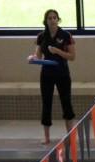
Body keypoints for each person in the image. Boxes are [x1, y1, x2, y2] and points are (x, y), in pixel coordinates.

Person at [29, 9, 74, 145]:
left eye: (55, 18)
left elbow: (72, 57)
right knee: (46, 103)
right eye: (50, 18)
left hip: (62, 72)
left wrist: (58, 51)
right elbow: (38, 56)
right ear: (46, 21)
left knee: (66, 102)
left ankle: (70, 136)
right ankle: (47, 137)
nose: (53, 20)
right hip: (47, 73)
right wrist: (32, 58)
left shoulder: (65, 35)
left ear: (58, 20)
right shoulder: (41, 36)